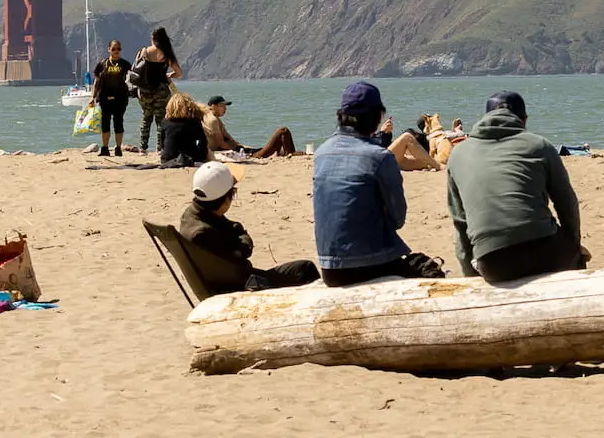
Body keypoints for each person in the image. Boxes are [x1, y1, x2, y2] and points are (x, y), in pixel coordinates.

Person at [446, 91, 586, 284]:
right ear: (524, 119)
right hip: (546, 252)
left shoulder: (458, 154)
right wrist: (573, 244)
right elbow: (567, 204)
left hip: (494, 262)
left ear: (484, 117)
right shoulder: (540, 145)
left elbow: (461, 223)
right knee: (575, 260)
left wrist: (470, 275)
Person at [311, 82, 442, 287]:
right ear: (377, 116)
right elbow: (398, 219)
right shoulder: (379, 157)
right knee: (429, 271)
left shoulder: (321, 153)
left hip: (330, 269)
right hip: (367, 265)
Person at [177, 162, 319, 292]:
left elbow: (232, 230)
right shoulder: (203, 234)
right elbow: (241, 252)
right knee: (305, 269)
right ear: (225, 200)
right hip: (243, 285)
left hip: (223, 282)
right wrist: (242, 238)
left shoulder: (192, 215)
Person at [131, 28, 182, 157]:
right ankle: (160, 148)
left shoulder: (144, 51)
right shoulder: (167, 54)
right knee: (161, 119)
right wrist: (169, 74)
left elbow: (135, 70)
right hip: (161, 90)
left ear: (153, 39)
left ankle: (143, 148)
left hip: (145, 90)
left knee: (146, 117)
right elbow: (179, 73)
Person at [91, 38, 132, 158]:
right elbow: (96, 82)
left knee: (118, 123)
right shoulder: (102, 64)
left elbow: (132, 79)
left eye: (118, 48)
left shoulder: (125, 64)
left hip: (120, 98)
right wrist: (92, 97)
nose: (116, 51)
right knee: (105, 123)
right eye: (113, 49)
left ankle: (118, 148)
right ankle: (105, 148)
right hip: (104, 98)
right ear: (109, 50)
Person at [159, 93, 211, 168]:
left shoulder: (165, 121)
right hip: (190, 157)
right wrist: (202, 157)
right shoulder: (194, 121)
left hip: (167, 159)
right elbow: (203, 142)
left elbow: (162, 142)